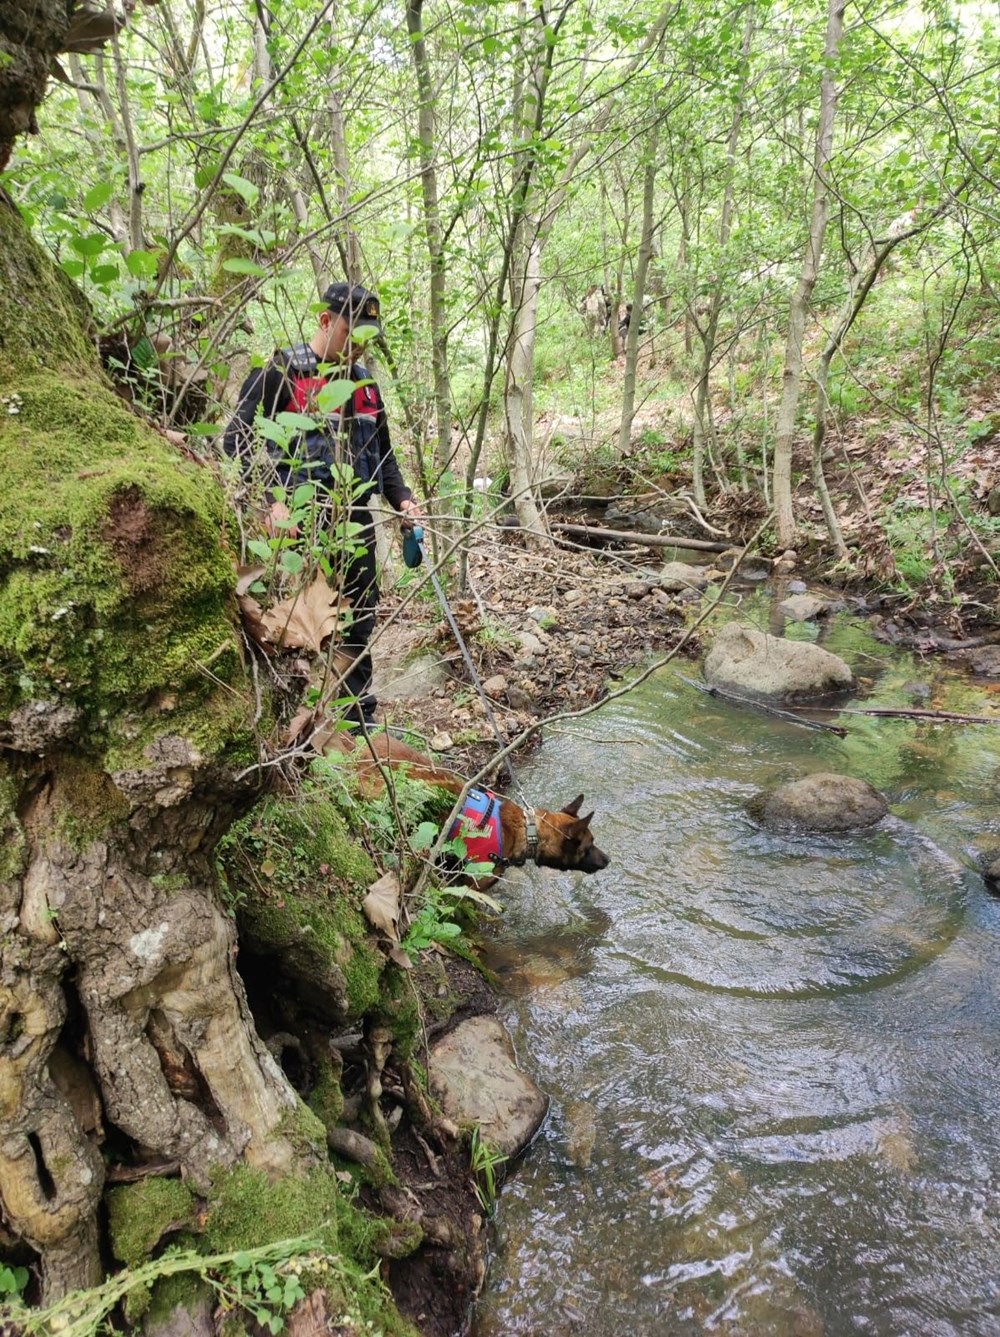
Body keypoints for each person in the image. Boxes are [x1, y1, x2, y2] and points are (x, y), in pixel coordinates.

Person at [223, 282, 422, 726]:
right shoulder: (283, 371)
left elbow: (384, 454)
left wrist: (403, 499)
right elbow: (235, 439)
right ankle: (291, 723)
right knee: (297, 630)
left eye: (367, 336)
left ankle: (356, 722)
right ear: (326, 321)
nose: (359, 346)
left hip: (355, 522)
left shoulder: (366, 385)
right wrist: (272, 501)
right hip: (299, 526)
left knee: (358, 621)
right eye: (353, 333)